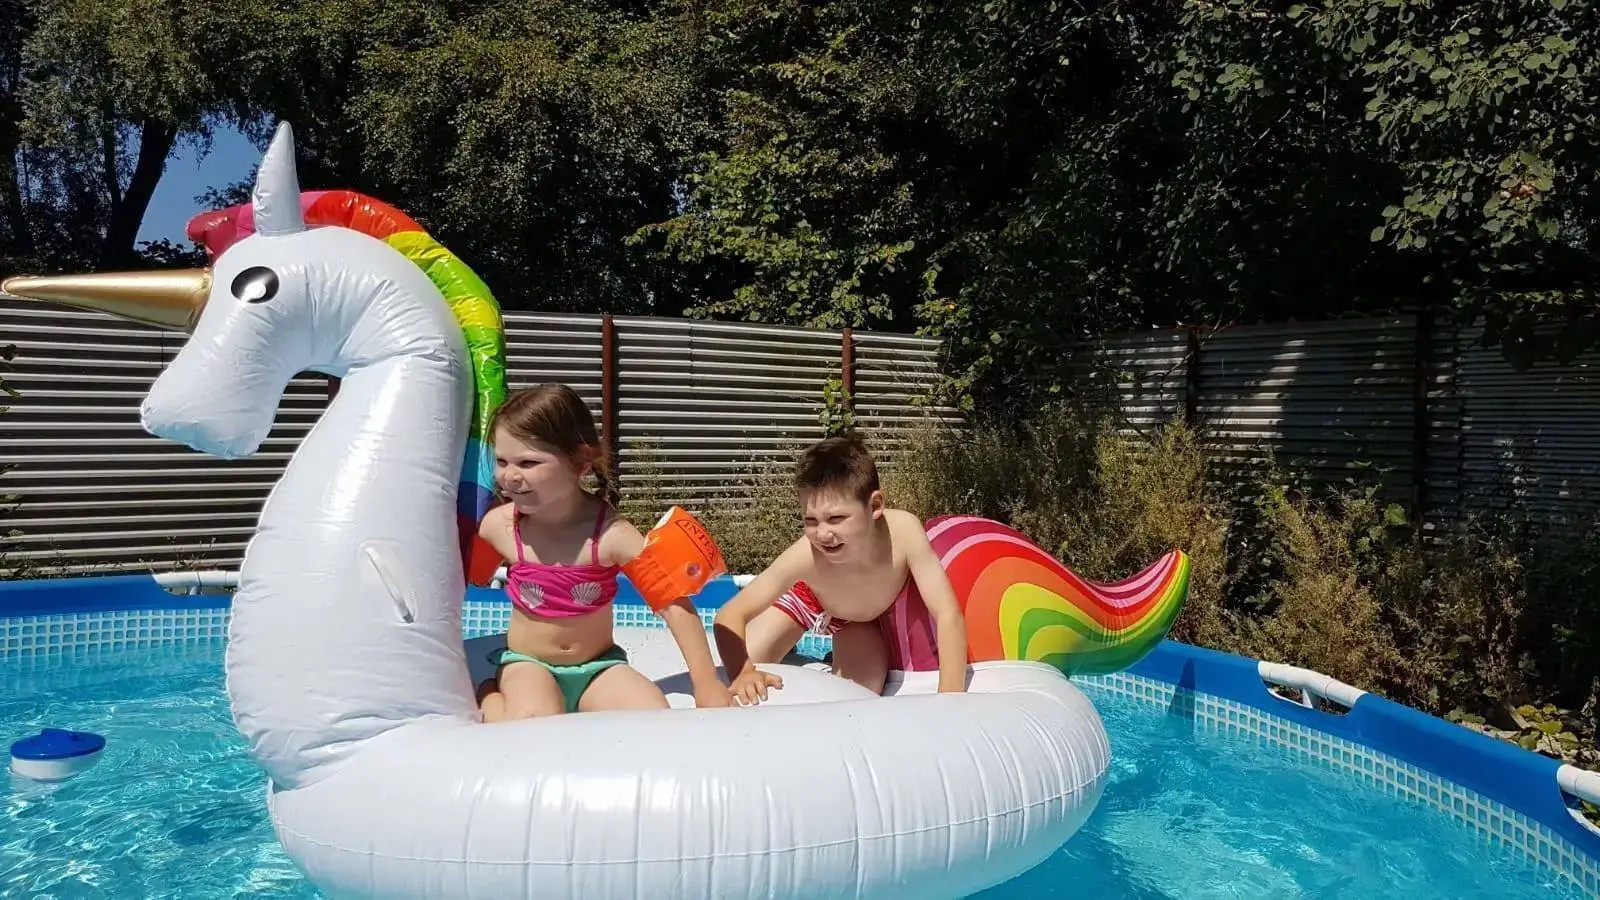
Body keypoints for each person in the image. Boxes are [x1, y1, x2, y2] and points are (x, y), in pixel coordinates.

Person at [476, 384, 729, 720]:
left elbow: (673, 605)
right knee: (534, 719)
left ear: (580, 462)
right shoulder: (500, 527)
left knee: (652, 714)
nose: (509, 476)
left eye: (527, 462)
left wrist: (707, 683)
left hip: (597, 668)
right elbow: (461, 576)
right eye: (501, 461)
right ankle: (489, 696)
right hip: (528, 664)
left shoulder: (611, 536)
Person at [712, 432, 969, 705]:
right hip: (808, 599)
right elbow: (730, 614)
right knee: (733, 679)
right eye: (811, 521)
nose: (823, 534)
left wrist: (949, 699)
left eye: (836, 518)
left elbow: (947, 613)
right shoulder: (805, 556)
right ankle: (788, 651)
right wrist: (742, 672)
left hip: (861, 621)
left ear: (875, 506)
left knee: (856, 697)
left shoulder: (904, 533)